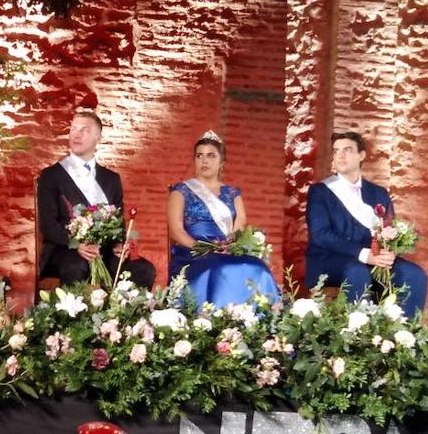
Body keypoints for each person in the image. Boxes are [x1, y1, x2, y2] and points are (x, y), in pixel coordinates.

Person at [305, 130, 428, 318]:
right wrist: (364, 255)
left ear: (361, 155)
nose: (340, 155)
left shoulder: (379, 194)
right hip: (330, 259)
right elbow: (322, 235)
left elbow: (389, 230)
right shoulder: (320, 192)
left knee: (414, 274)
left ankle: (405, 336)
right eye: (336, 151)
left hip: (373, 258)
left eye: (347, 150)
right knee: (357, 271)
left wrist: (389, 251)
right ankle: (359, 339)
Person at [36, 109, 156, 288]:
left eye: (85, 130)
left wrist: (119, 244)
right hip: (64, 250)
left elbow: (118, 225)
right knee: (77, 265)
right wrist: (77, 244)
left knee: (144, 269)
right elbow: (49, 226)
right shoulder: (51, 175)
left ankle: (120, 315)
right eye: (74, 129)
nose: (76, 134)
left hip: (104, 252)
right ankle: (73, 316)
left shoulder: (111, 179)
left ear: (98, 139)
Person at [166, 130, 279, 307]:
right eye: (199, 156)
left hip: (226, 250)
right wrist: (203, 248)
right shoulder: (181, 191)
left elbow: (239, 226)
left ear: (221, 162)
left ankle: (261, 319)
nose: (204, 160)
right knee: (215, 267)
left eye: (211, 155)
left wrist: (228, 247)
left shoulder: (233, 193)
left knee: (258, 266)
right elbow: (176, 230)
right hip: (192, 253)